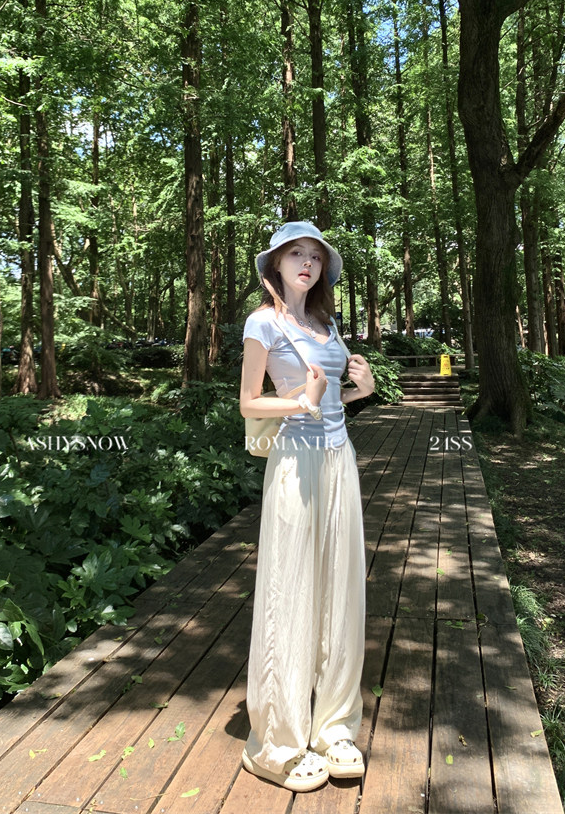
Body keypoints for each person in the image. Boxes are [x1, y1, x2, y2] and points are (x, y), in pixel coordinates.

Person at [239, 220, 375, 793]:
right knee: (289, 590)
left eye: (314, 256)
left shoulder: (327, 324)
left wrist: (362, 390)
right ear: (275, 264)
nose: (306, 263)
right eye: (294, 253)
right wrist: (301, 403)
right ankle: (275, 745)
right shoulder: (262, 323)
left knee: (341, 590)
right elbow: (249, 404)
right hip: (295, 463)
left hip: (340, 460)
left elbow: (332, 399)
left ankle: (334, 727)